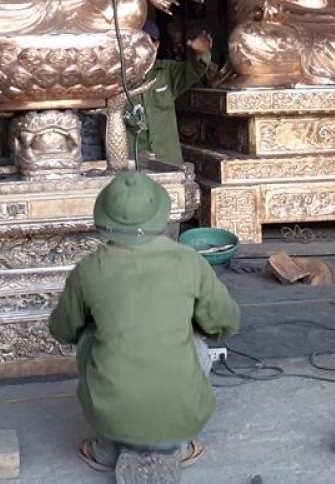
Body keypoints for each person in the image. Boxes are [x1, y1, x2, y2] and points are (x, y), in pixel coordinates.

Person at [49, 170, 241, 482]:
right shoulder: (190, 261)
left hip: (110, 417)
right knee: (195, 337)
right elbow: (226, 321)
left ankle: (105, 447)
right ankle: (178, 443)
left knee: (88, 336)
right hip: (183, 413)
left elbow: (62, 329)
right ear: (160, 214)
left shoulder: (88, 270)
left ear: (104, 216)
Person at [136, 20, 212, 167]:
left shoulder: (167, 72)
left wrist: (201, 53)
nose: (143, 48)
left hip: (167, 161)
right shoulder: (117, 78)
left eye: (149, 42)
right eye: (139, 42)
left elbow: (195, 69)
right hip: (133, 165)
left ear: (157, 46)